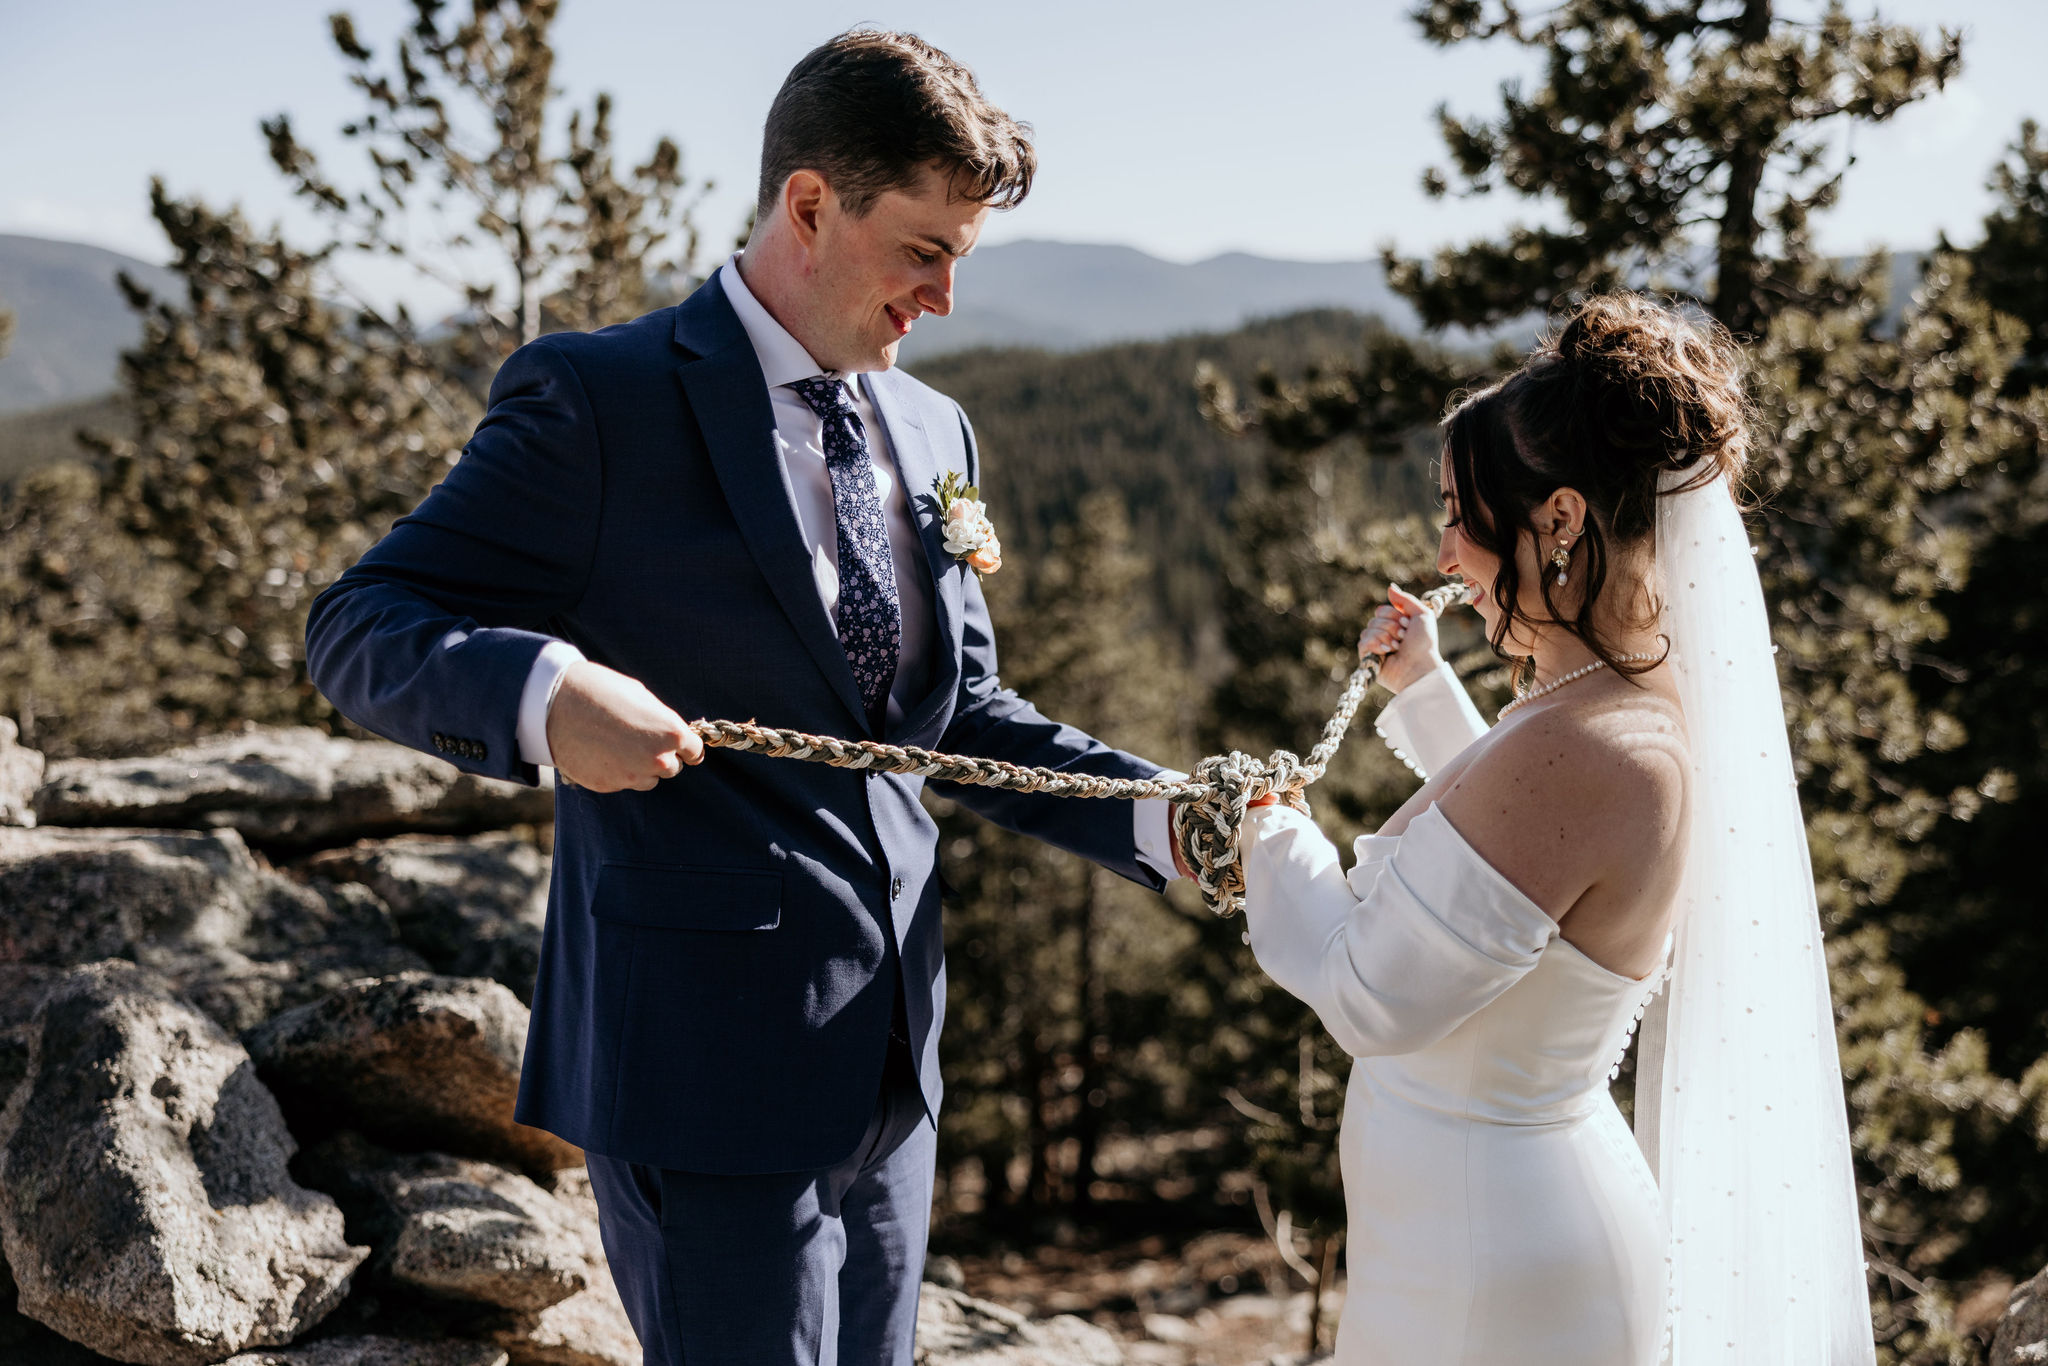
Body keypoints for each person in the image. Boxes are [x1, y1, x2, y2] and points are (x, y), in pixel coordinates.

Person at [304, 30, 1186, 1366]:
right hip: (699, 1073)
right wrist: (547, 695)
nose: (944, 297)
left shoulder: (934, 429)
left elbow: (956, 716)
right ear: (811, 205)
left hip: (893, 1062)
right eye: (923, 251)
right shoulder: (598, 400)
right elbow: (361, 620)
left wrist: (1169, 818)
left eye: (962, 258)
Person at [1239, 294, 1874, 1364]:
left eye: (1459, 514)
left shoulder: (1593, 747)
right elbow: (1511, 874)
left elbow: (1370, 992)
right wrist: (1423, 688)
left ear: (1561, 519)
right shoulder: (1611, 706)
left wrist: (1263, 832)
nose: (1447, 554)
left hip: (1491, 1266)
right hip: (1468, 1236)